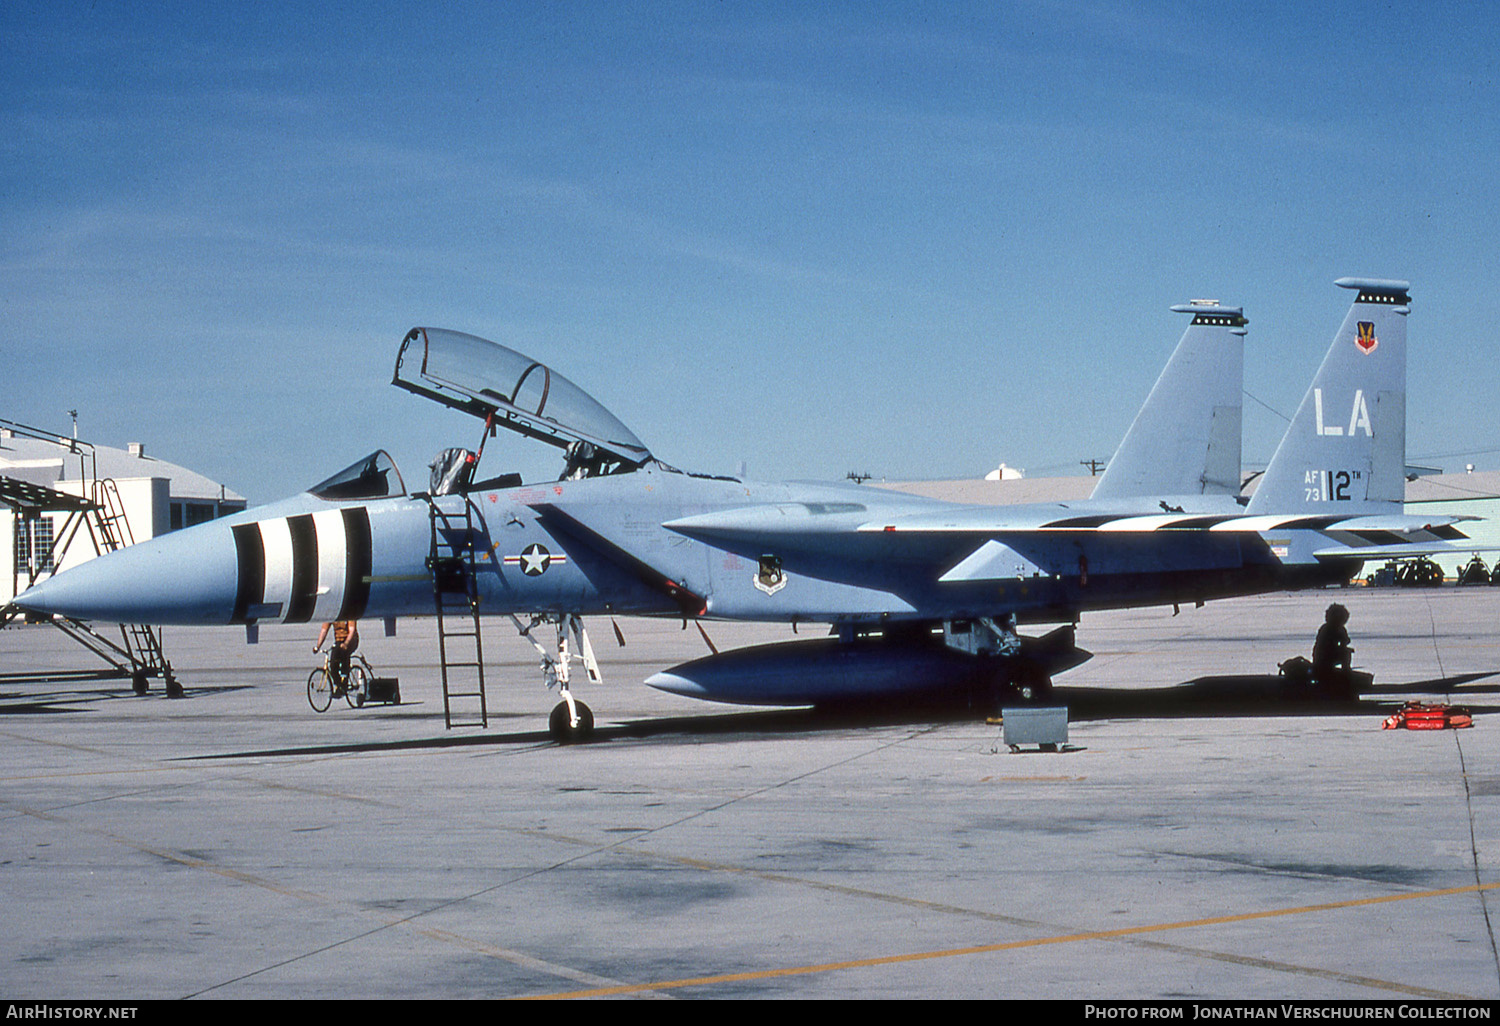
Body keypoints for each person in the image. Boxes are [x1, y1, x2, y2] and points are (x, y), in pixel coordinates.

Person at [1311, 603, 1352, 687]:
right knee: (1345, 652)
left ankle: (1346, 671)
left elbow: (1345, 640)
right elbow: (1325, 646)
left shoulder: (1341, 629)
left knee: (1346, 652)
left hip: (1331, 656)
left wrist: (1345, 642)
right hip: (1322, 658)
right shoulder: (1326, 629)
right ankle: (1345, 672)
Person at [315, 619, 360, 694]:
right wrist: (317, 647)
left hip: (351, 639)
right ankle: (339, 685)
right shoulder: (331, 616)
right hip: (339, 641)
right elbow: (324, 631)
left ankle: (345, 679)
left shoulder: (349, 614)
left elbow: (352, 630)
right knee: (333, 664)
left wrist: (346, 643)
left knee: (344, 654)